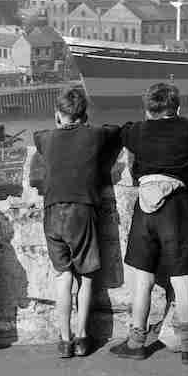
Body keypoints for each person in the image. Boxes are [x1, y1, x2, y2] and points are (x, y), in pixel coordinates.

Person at [110, 81, 188, 364]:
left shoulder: (137, 131)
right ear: (177, 108)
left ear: (147, 109)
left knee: (143, 278)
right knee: (181, 278)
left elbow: (122, 132)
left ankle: (136, 343)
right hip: (176, 207)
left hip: (144, 208)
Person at [34, 86, 121, 358]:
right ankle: (83, 337)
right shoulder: (94, 134)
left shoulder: (45, 138)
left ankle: (64, 339)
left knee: (64, 275)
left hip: (52, 210)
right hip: (81, 211)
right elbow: (115, 130)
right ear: (84, 116)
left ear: (58, 115)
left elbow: (40, 137)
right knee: (86, 276)